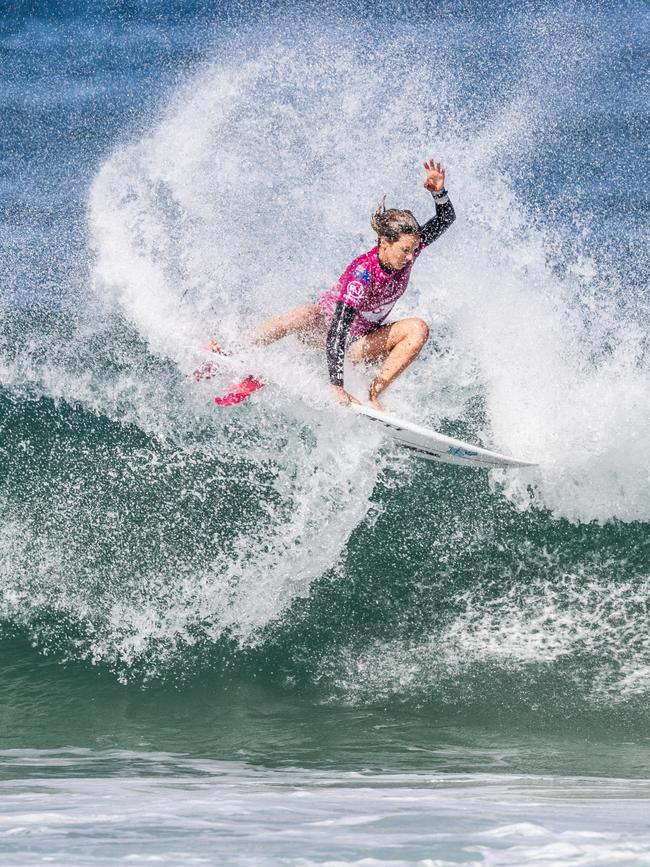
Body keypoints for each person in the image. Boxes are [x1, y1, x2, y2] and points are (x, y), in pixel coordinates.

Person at [210, 160, 455, 409]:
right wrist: (337, 386)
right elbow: (338, 331)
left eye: (414, 249)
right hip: (324, 332)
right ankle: (234, 350)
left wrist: (439, 193)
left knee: (417, 329)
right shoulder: (362, 276)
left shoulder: (408, 248)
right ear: (384, 243)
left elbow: (445, 219)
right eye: (405, 250)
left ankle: (372, 395)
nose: (412, 256)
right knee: (306, 313)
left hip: (361, 343)